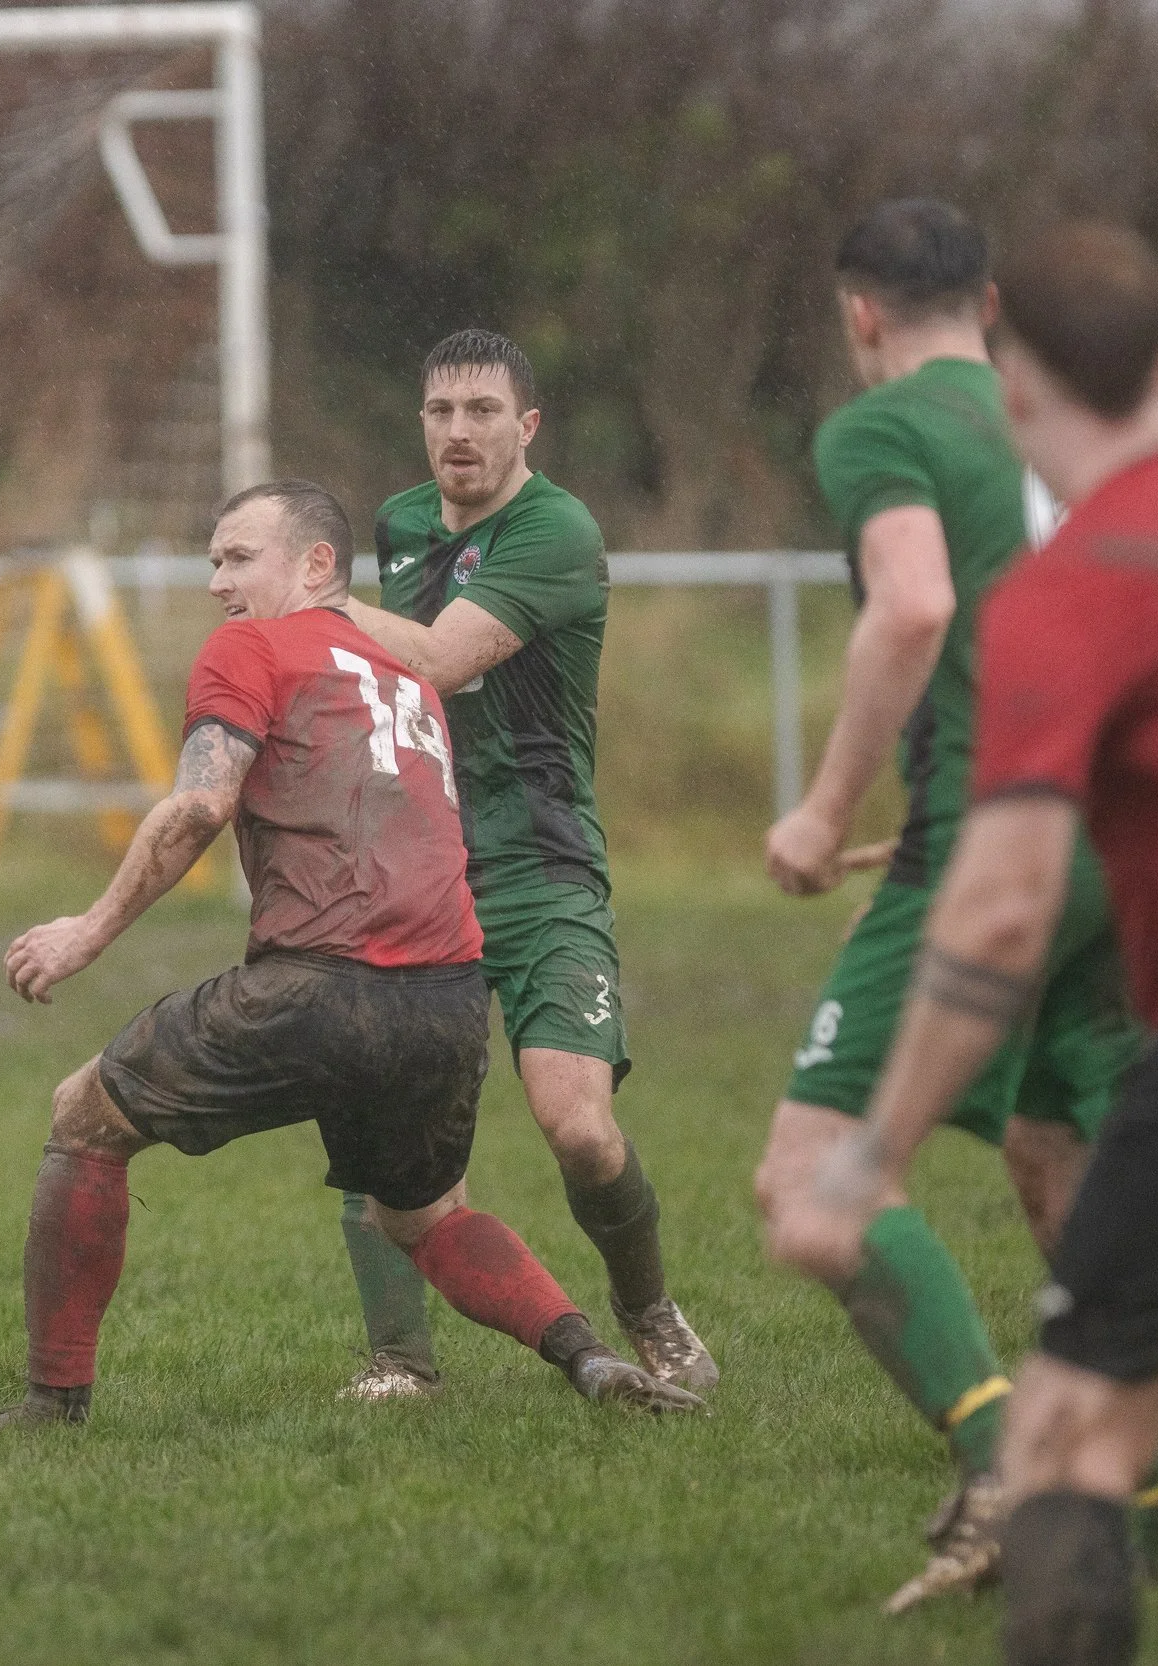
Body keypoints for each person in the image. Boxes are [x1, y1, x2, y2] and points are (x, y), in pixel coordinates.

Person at [0, 480, 704, 1429]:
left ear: (317, 564)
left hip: (316, 989)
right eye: (213, 562)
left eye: (239, 558)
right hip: (447, 1003)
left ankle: (51, 1404)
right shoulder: (407, 677)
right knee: (426, 1217)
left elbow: (202, 805)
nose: (218, 584)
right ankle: (593, 1360)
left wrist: (87, 931)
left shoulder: (249, 647)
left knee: (83, 1116)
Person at [767, 221, 1158, 1666]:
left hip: (1070, 879)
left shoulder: (987, 511)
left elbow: (917, 608)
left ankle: (996, 1475)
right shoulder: (1156, 497)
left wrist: (867, 1154)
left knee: (816, 1175)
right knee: (1063, 1155)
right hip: (1146, 912)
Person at [334, 329, 715, 1400]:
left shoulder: (555, 530)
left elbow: (443, 662)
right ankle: (400, 1359)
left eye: (483, 412)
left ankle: (646, 1306)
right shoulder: (402, 522)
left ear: (527, 425)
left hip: (543, 863)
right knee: (381, 1119)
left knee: (580, 1128)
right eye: (441, 411)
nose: (459, 431)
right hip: (421, 867)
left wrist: (303, 597)